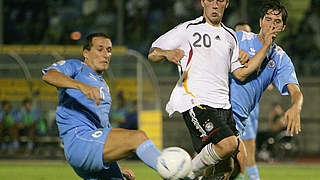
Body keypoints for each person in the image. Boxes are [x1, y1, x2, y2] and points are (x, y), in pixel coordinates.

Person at [148, 0, 278, 179]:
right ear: (203, 2)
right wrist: (165, 53)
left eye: (219, 0)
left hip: (223, 107)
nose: (215, 4)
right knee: (229, 144)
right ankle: (186, 171)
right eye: (210, 0)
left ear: (226, 3)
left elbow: (241, 74)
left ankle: (197, 175)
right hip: (196, 101)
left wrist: (265, 47)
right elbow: (152, 53)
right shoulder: (188, 29)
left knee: (226, 168)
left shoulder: (230, 36)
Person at [42, 33, 162, 180]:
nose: (106, 54)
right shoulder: (76, 67)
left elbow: (104, 129)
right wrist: (81, 86)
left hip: (94, 147)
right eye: (100, 49)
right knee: (138, 137)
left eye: (109, 50)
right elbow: (49, 76)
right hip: (78, 141)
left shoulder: (104, 87)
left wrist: (117, 167)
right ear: (86, 53)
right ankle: (172, 170)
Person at [229, 1, 303, 179]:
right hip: (219, 109)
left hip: (240, 118)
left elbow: (295, 90)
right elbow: (215, 47)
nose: (271, 24)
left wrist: (296, 107)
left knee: (234, 167)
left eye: (277, 22)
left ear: (283, 27)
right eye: (268, 19)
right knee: (235, 160)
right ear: (261, 21)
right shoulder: (240, 38)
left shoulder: (280, 58)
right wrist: (235, 52)